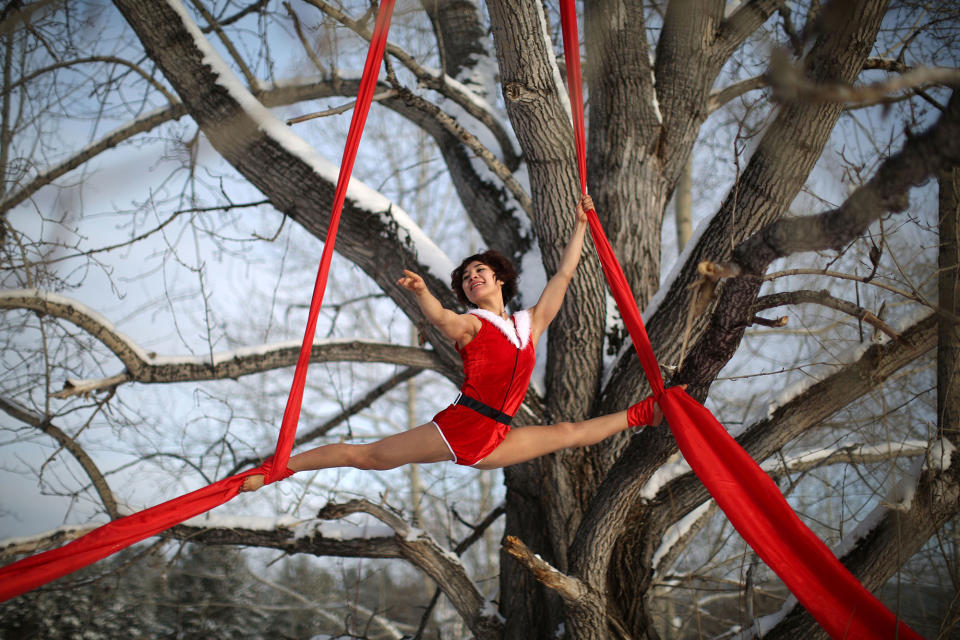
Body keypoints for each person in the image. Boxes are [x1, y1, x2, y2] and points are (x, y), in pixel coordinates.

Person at [240, 194, 660, 492]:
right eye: (465, 278)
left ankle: (645, 412)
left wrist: (582, 226)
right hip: (463, 426)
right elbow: (440, 317)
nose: (472, 278)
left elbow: (562, 277)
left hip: (495, 435)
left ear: (499, 278)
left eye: (479, 271)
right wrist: (423, 291)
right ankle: (277, 470)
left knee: (569, 432)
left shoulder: (526, 325)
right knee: (367, 457)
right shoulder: (471, 325)